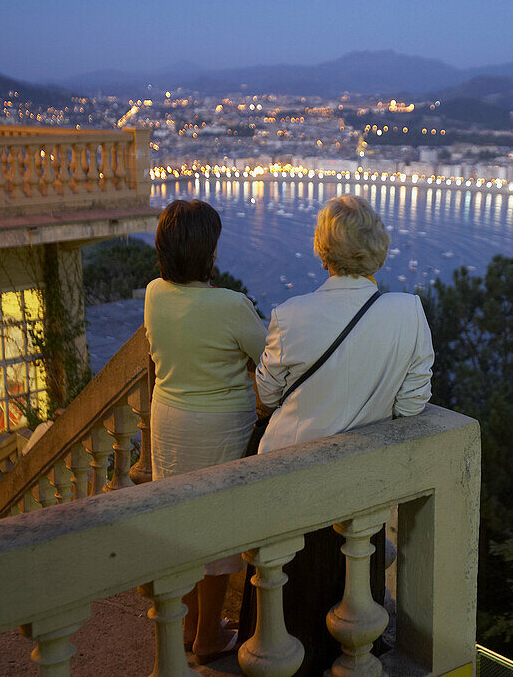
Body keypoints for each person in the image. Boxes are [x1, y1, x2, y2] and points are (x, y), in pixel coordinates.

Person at [244, 194, 434, 675]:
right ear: (378, 248)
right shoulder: (409, 313)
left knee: (283, 606)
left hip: (288, 484)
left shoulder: (290, 315)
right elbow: (412, 406)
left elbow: (266, 397)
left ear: (322, 249)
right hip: (358, 492)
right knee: (353, 601)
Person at [143, 199, 268, 661]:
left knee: (182, 524)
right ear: (209, 252)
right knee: (217, 529)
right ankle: (208, 636)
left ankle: (193, 622)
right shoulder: (232, 306)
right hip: (220, 425)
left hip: (168, 419)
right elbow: (270, 361)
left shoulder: (154, 293)